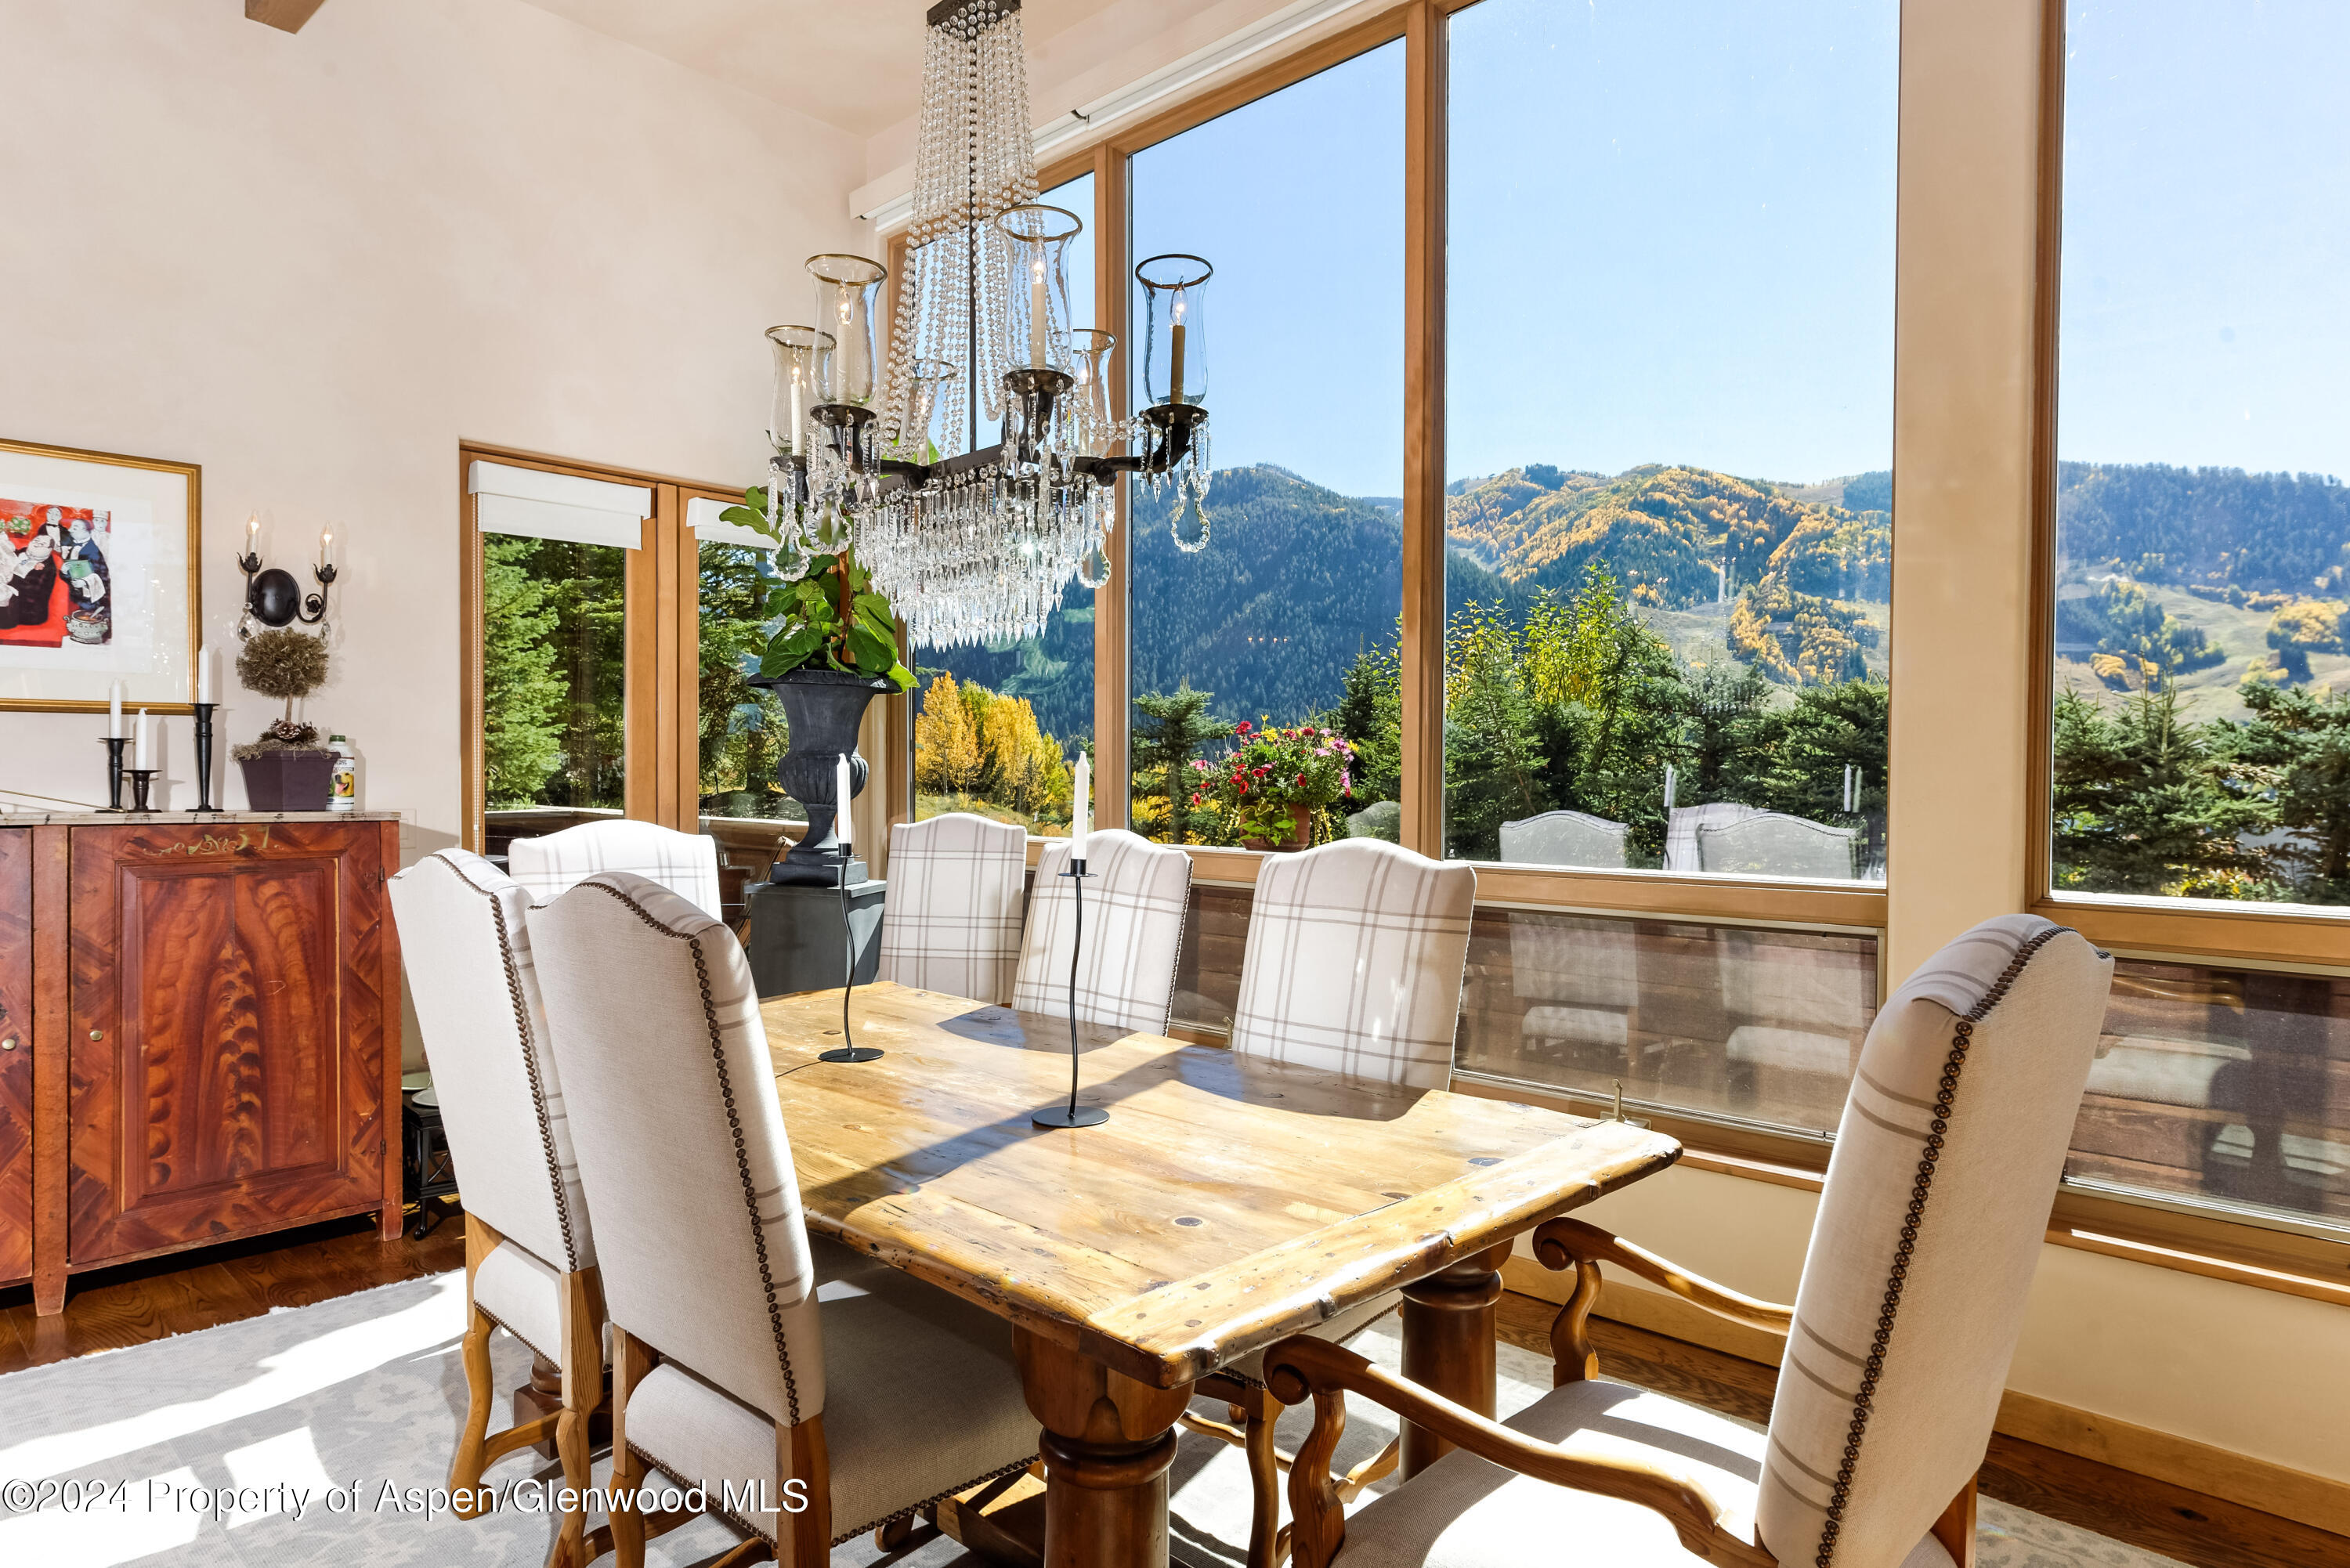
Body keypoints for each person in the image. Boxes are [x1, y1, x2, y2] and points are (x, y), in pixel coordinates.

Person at [0, 529, 61, 630]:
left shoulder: (48, 568)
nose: (38, 544)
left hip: (27, 611)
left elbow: (31, 592)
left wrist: (10, 573)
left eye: (43, 544)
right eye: (36, 541)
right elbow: (9, 560)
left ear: (50, 549)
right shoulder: (23, 552)